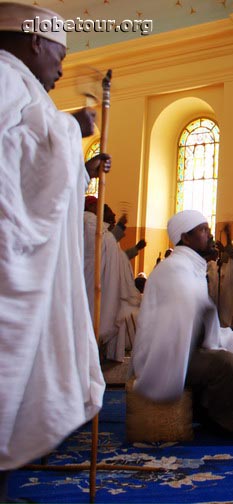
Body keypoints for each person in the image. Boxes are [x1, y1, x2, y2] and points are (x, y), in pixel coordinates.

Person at [0, 2, 108, 494]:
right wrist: (70, 129)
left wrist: (78, 158)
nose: (62, 66)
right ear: (35, 41)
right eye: (60, 53)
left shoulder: (23, 90)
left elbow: (31, 171)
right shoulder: (4, 77)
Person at [132, 210, 233, 432]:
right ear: (185, 238)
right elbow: (186, 318)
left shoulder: (189, 266)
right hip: (163, 355)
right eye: (203, 230)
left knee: (228, 347)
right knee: (226, 364)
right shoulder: (174, 268)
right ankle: (222, 425)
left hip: (184, 347)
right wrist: (219, 340)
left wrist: (221, 336)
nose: (210, 236)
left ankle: (206, 411)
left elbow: (198, 316)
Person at [83, 196, 141, 362]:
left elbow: (111, 247)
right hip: (91, 275)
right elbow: (101, 243)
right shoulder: (88, 221)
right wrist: (120, 227)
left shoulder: (99, 227)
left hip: (99, 276)